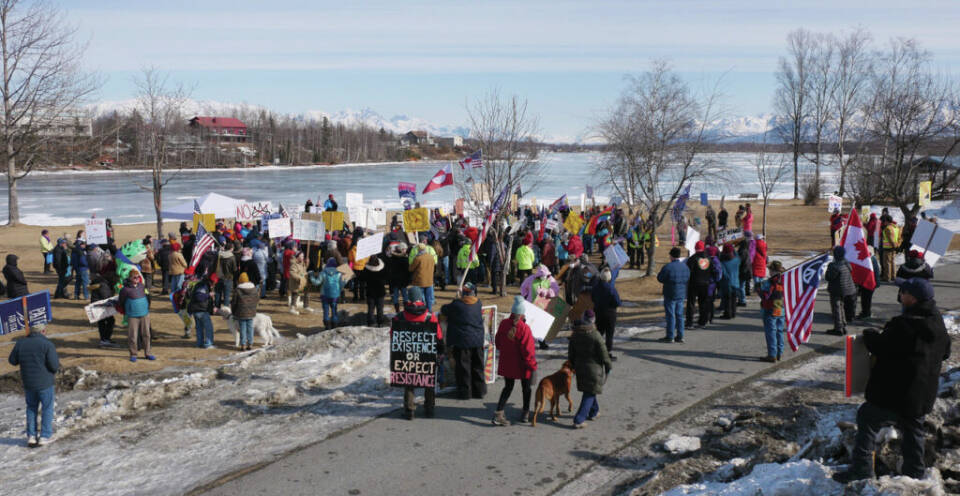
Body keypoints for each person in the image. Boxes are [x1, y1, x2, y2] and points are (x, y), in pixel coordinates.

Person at [832, 277, 951, 483]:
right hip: (922, 395)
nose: (900, 294)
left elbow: (880, 346)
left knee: (866, 417)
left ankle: (862, 469)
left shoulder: (905, 325)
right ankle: (914, 473)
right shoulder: (936, 322)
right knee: (913, 430)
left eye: (903, 291)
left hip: (897, 394)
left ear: (912, 298)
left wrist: (869, 335)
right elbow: (946, 352)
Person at [393, 287, 443, 420]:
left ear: (408, 298)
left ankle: (409, 410)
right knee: (428, 380)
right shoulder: (429, 316)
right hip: (427, 353)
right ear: (421, 298)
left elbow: (394, 336)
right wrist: (440, 351)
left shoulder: (400, 317)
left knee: (409, 380)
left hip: (407, 353)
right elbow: (438, 335)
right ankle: (429, 408)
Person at [7, 322, 59, 447]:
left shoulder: (20, 343)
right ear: (43, 331)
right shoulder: (47, 344)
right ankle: (44, 436)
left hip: (28, 383)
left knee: (31, 408)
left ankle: (31, 436)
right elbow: (54, 366)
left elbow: (12, 361)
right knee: (47, 408)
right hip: (45, 382)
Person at [492, 296, 538, 426]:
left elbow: (498, 343)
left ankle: (499, 412)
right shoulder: (525, 328)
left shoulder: (503, 324)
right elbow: (528, 352)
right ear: (523, 313)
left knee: (508, 387)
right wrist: (533, 366)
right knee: (526, 388)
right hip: (523, 365)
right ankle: (525, 413)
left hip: (508, 363)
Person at [440, 282, 486, 400]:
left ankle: (465, 393)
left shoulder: (457, 305)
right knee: (478, 366)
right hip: (477, 340)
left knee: (463, 368)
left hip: (463, 341)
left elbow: (444, 309)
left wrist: (455, 299)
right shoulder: (478, 303)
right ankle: (479, 390)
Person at [568, 311, 613, 428]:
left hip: (580, 368)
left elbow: (571, 354)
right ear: (593, 320)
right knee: (590, 393)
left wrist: (573, 365)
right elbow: (604, 353)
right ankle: (579, 419)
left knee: (590, 390)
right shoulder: (595, 335)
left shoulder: (575, 334)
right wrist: (608, 366)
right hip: (594, 369)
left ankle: (594, 412)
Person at [118, 271, 154, 362]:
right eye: (135, 277)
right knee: (133, 336)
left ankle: (148, 353)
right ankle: (133, 354)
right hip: (132, 315)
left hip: (144, 314)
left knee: (147, 335)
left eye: (138, 277)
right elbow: (121, 302)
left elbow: (147, 296)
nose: (137, 278)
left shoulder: (142, 286)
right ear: (130, 278)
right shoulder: (125, 290)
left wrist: (147, 306)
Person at [657, 247, 690, 343]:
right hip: (681, 293)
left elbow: (660, 278)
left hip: (670, 292)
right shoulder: (685, 267)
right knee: (679, 315)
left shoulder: (668, 267)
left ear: (671, 256)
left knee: (671, 315)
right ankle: (680, 335)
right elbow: (687, 277)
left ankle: (670, 336)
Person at [825, 246, 857, 336]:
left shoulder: (834, 266)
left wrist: (829, 267)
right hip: (848, 289)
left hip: (837, 290)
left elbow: (828, 277)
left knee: (836, 308)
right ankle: (843, 325)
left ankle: (838, 328)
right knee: (841, 307)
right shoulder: (846, 263)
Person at [591, 266, 622, 360]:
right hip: (610, 312)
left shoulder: (595, 287)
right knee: (609, 334)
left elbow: (592, 298)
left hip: (598, 312)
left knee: (599, 332)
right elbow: (617, 302)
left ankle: (596, 351)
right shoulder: (611, 289)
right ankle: (607, 352)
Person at [758, 260, 786, 362]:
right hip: (779, 305)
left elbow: (765, 296)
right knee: (779, 330)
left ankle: (772, 354)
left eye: (770, 270)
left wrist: (759, 290)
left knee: (771, 331)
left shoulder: (771, 282)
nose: (769, 272)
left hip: (770, 306)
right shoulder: (784, 279)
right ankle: (779, 352)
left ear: (773, 270)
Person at [685, 241, 712, 329]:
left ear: (695, 248)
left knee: (691, 303)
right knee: (703, 303)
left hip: (694, 283)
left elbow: (688, 271)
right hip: (705, 284)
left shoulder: (693, 258)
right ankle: (702, 322)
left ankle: (689, 323)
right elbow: (712, 270)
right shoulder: (709, 258)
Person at [231, 272, 260, 351]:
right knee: (250, 328)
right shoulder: (254, 289)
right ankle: (250, 343)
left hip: (241, 313)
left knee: (242, 328)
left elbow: (234, 302)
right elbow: (257, 299)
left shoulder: (238, 290)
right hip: (251, 312)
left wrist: (233, 311)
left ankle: (243, 344)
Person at [188, 274, 217, 349]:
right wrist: (208, 295)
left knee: (199, 327)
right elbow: (199, 297)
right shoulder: (203, 286)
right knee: (208, 327)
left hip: (196, 309)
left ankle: (199, 343)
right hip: (201, 310)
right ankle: (208, 344)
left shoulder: (202, 284)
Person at [89, 272, 117, 347]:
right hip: (101, 307)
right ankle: (105, 339)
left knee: (103, 323)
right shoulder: (104, 285)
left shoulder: (101, 282)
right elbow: (106, 298)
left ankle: (104, 339)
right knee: (110, 321)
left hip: (97, 305)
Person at [856, 246, 882, 320]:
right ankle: (866, 312)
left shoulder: (870, 260)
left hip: (869, 283)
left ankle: (866, 313)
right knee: (866, 299)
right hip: (871, 283)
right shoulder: (872, 259)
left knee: (866, 299)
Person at [362, 255, 388, 326]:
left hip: (370, 292)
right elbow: (385, 279)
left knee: (370, 308)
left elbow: (363, 278)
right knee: (380, 308)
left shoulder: (366, 269)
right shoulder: (382, 268)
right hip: (380, 291)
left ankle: (371, 322)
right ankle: (381, 321)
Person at [409, 242, 436, 310]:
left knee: (421, 298)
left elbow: (411, 269)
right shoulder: (431, 257)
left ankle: (423, 311)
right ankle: (429, 311)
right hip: (429, 280)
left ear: (419, 250)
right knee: (429, 298)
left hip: (420, 281)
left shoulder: (418, 258)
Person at [319, 258, 344, 330]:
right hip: (335, 295)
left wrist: (311, 276)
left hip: (325, 295)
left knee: (326, 311)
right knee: (334, 310)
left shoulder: (323, 272)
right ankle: (334, 325)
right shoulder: (339, 273)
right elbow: (341, 285)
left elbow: (317, 282)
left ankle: (327, 325)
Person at [718, 243, 741, 319]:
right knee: (734, 299)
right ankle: (733, 312)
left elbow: (723, 274)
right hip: (736, 282)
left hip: (727, 284)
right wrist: (733, 249)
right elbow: (737, 254)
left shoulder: (722, 262)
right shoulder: (736, 260)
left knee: (727, 300)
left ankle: (728, 314)